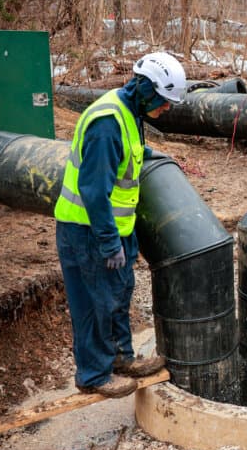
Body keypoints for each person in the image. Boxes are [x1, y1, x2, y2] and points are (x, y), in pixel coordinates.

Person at [53, 51, 186, 397]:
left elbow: (125, 157)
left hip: (113, 229)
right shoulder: (107, 123)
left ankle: (121, 358)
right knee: (94, 303)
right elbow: (94, 191)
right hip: (88, 230)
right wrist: (109, 242)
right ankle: (94, 375)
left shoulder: (131, 111)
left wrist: (150, 154)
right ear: (148, 89)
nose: (167, 108)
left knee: (118, 293)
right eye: (165, 101)